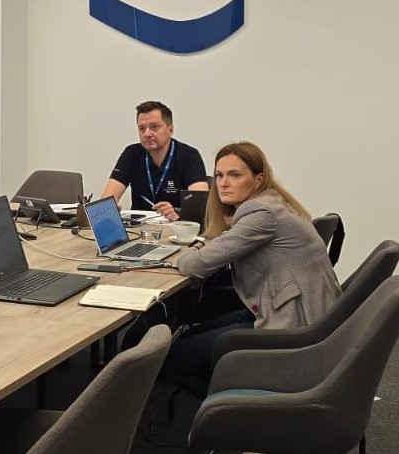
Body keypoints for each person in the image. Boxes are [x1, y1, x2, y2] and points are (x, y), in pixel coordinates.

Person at [162, 141, 342, 393]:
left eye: (235, 175)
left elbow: (193, 265)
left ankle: (228, 397)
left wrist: (195, 246)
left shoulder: (261, 214)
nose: (223, 183)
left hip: (292, 324)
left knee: (171, 358)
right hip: (286, 308)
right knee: (185, 339)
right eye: (219, 175)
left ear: (258, 179)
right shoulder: (272, 203)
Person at [102, 101, 208, 221]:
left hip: (175, 226)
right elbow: (107, 199)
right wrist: (109, 209)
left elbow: (199, 208)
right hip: (140, 227)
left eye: (154, 127)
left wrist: (178, 214)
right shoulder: (131, 153)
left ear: (170, 130)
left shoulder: (189, 155)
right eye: (142, 128)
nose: (147, 134)